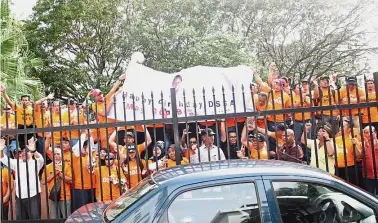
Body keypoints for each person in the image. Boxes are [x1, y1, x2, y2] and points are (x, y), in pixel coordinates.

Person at [0, 137, 44, 220]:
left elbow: (41, 159)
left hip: (33, 196)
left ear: (31, 154)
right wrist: (1, 150)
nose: (23, 153)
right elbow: (3, 159)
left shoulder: (35, 163)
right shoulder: (17, 163)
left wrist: (34, 150)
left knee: (35, 219)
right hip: (19, 197)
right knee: (20, 219)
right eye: (22, 151)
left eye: (26, 151)